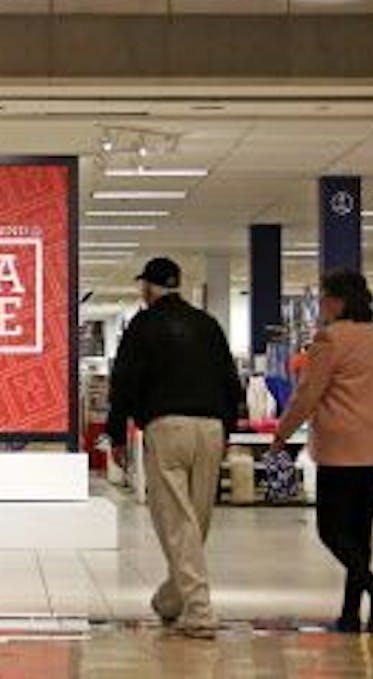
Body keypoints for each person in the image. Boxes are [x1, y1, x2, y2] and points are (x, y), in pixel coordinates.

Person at [106, 257, 242, 638]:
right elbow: (231, 382)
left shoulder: (143, 324)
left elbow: (125, 382)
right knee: (196, 521)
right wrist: (228, 428)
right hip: (211, 428)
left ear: (148, 288)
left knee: (177, 521)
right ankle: (171, 599)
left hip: (168, 427)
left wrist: (117, 433)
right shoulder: (208, 324)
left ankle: (198, 610)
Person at [272, 268, 373, 634]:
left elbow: (307, 395)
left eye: (324, 299)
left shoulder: (329, 340)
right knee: (360, 533)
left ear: (338, 301)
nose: (321, 306)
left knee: (330, 530)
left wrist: (283, 432)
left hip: (342, 449)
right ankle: (351, 614)